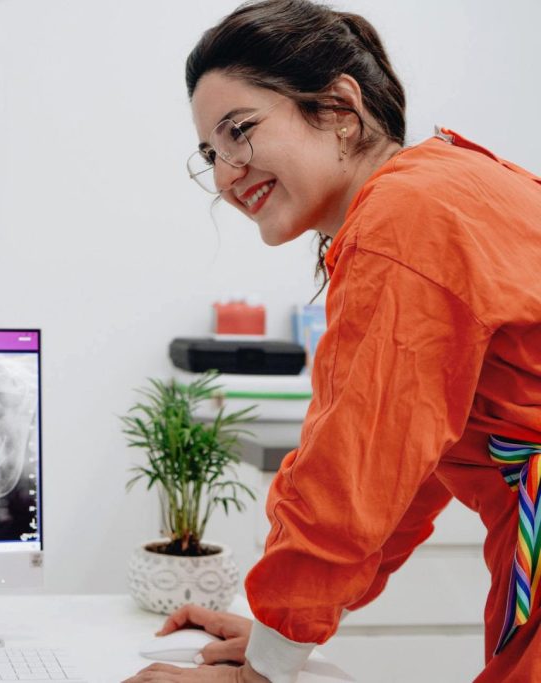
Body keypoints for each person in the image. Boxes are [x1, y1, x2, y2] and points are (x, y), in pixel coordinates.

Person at [124, 1, 541, 682]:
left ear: (339, 107)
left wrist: (260, 670)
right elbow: (396, 484)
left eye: (240, 130)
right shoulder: (443, 185)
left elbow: (349, 470)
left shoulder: (405, 217)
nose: (228, 173)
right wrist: (278, 636)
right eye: (209, 153)